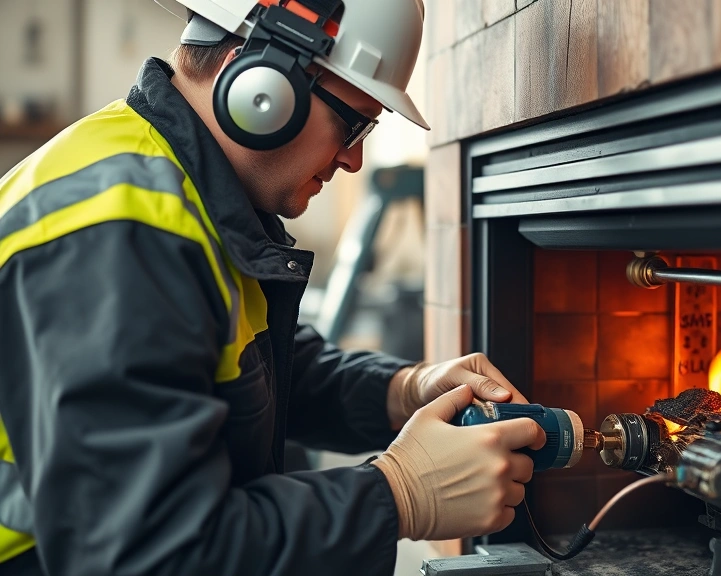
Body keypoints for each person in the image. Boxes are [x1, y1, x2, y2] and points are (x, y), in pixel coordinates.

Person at [0, 1, 545, 574]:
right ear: (261, 83)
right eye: (353, 122)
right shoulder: (117, 235)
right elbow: (148, 554)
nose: (354, 160)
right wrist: (396, 495)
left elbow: (242, 372)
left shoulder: (181, 192)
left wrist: (405, 388)